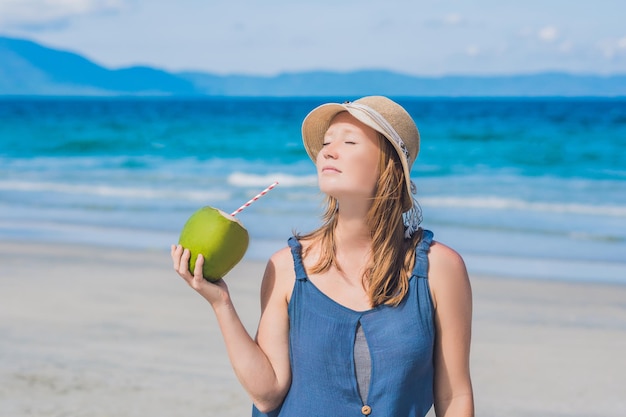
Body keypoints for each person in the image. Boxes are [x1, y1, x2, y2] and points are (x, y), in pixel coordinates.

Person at [171, 96, 474, 417]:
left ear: (389, 164)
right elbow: (267, 394)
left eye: (349, 141)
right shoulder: (287, 267)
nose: (328, 150)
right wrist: (221, 303)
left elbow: (454, 396)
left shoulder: (440, 270)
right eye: (327, 142)